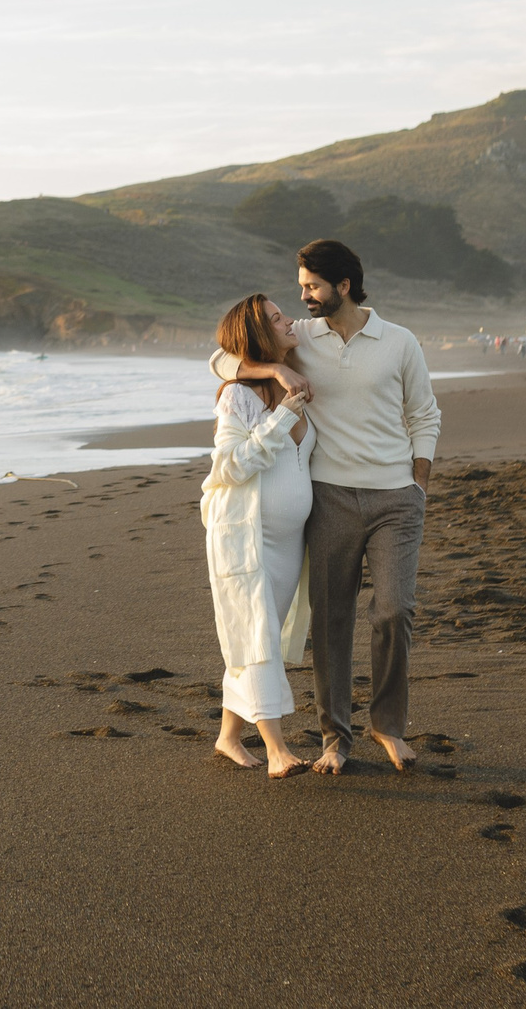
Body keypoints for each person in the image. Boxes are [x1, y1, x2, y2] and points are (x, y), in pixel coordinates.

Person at [211, 239, 440, 775]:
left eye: (312, 287)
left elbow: (424, 414)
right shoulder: (301, 340)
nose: (304, 297)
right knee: (331, 620)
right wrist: (273, 373)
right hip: (330, 498)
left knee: (394, 610)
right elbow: (223, 357)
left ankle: (387, 726)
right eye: (299, 289)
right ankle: (336, 738)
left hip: (395, 498)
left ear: (343, 285)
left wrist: (419, 482)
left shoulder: (400, 342)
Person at [200, 293, 316, 776]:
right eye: (275, 318)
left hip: (288, 542)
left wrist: (272, 372)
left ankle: (229, 737)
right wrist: (282, 408)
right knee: (259, 636)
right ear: (258, 336)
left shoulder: (294, 358)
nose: (288, 319)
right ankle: (276, 749)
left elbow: (217, 358)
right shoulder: (237, 396)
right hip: (244, 535)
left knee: (254, 635)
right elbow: (229, 465)